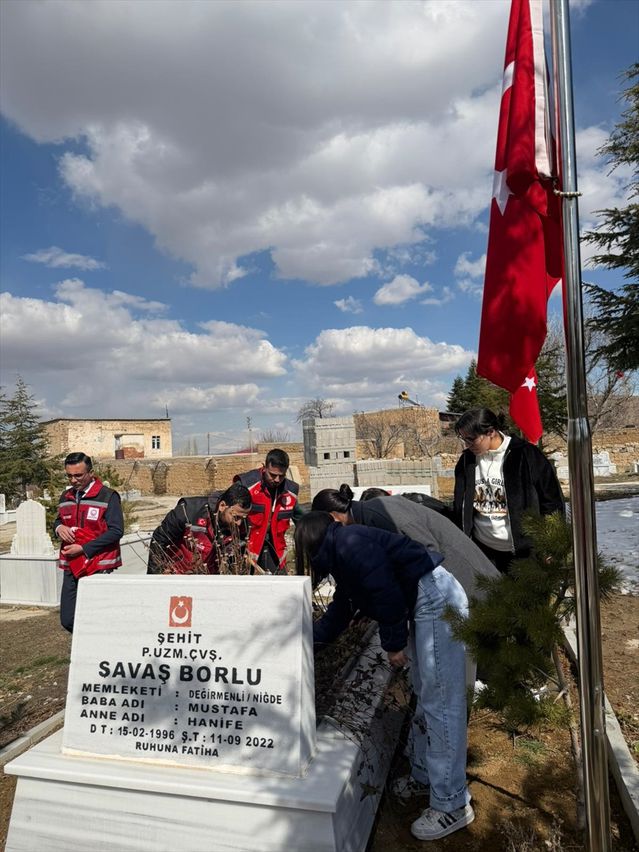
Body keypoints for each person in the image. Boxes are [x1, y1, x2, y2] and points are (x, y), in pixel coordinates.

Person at [295, 512, 474, 841]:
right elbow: (339, 613)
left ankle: (452, 803)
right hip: (426, 600)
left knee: (441, 701)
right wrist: (303, 643)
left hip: (436, 599)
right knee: (426, 694)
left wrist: (393, 645)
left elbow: (386, 592)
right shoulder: (344, 551)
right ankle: (425, 775)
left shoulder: (350, 544)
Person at [312, 484, 500, 604]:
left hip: (470, 584)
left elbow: (428, 554)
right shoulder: (369, 517)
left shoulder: (382, 513)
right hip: (457, 588)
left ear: (334, 517)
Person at [453, 408, 565, 573]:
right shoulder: (466, 461)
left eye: (471, 439)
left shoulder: (526, 455)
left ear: (491, 431)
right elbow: (460, 506)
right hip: (483, 553)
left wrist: (551, 545)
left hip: (525, 554)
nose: (467, 445)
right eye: (464, 439)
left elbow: (552, 502)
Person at [54, 452, 123, 633]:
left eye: (78, 475)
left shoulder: (108, 496)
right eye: (69, 475)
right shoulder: (66, 496)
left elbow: (116, 531)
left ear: (91, 473)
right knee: (68, 619)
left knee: (97, 617)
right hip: (72, 564)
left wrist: (84, 549)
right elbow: (59, 519)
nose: (73, 480)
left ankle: (99, 646)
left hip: (97, 565)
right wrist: (59, 527)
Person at [147, 482, 251, 575]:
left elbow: (236, 559)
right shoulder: (188, 511)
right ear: (222, 506)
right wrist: (157, 574)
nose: (239, 523)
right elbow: (159, 539)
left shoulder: (242, 527)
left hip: (206, 579)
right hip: (175, 574)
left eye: (243, 518)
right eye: (235, 517)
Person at [234, 448, 300, 574]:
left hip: (274, 547)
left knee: (279, 582)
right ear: (264, 468)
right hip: (245, 547)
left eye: (281, 476)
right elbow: (225, 506)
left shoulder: (291, 491)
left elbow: (301, 519)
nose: (277, 480)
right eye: (273, 475)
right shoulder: (246, 484)